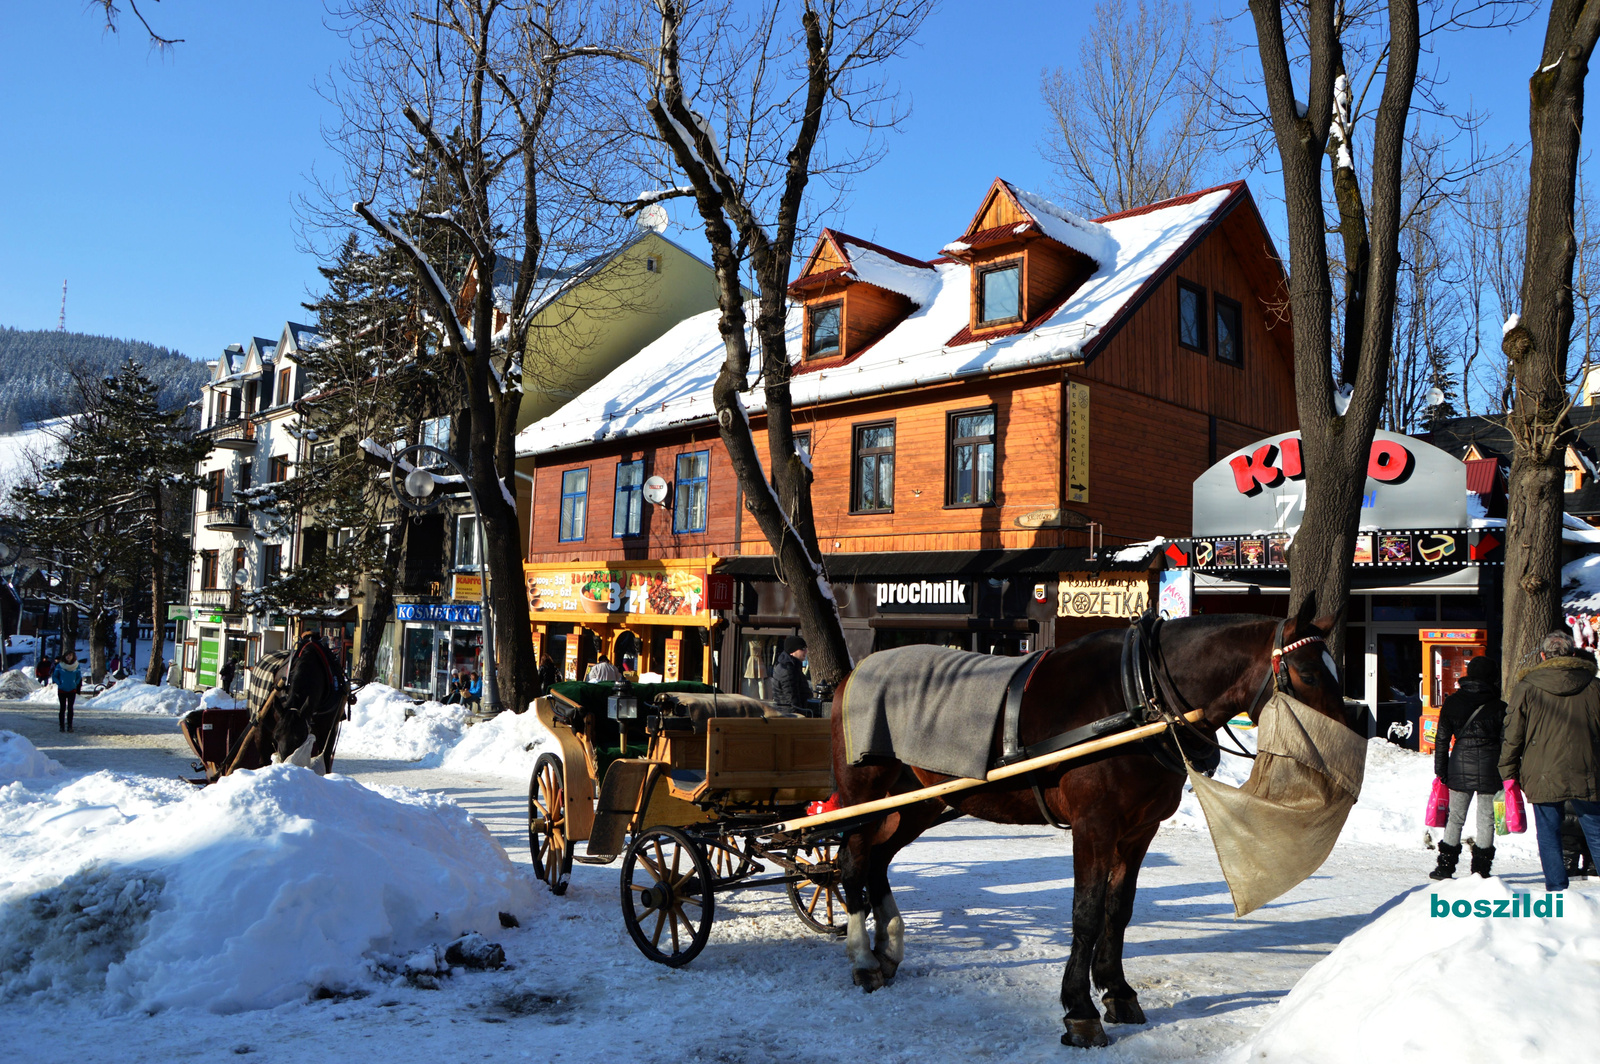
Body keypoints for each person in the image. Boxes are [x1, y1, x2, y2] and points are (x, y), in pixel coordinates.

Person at [1500, 630, 1600, 893]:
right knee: (1596, 831)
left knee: (1548, 834)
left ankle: (1557, 890)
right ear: (1572, 653)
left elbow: (1513, 734)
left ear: (1543, 656)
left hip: (1541, 770)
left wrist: (1507, 770)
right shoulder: (1593, 686)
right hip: (1587, 768)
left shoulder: (1527, 687)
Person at [1428, 656, 1506, 880]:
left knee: (1455, 818)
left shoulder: (1452, 702)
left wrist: (1441, 770)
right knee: (1486, 820)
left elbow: (1441, 739)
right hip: (1491, 769)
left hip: (1459, 767)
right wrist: (1507, 771)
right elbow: (1506, 742)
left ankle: (1445, 867)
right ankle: (1481, 870)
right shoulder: (1500, 707)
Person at [770, 635, 812, 713]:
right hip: (790, 716)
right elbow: (792, 700)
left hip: (792, 714)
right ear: (792, 651)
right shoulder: (787, 669)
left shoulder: (793, 666)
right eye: (803, 649)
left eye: (806, 648)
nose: (806, 651)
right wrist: (798, 718)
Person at [52, 651, 83, 733]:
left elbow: (79, 676)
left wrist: (75, 683)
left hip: (72, 689)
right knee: (62, 708)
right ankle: (61, 726)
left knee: (70, 708)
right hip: (62, 689)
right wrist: (59, 683)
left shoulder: (76, 665)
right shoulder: (60, 665)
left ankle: (70, 726)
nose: (69, 657)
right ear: (64, 656)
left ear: (73, 656)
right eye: (67, 655)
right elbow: (55, 676)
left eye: (70, 655)